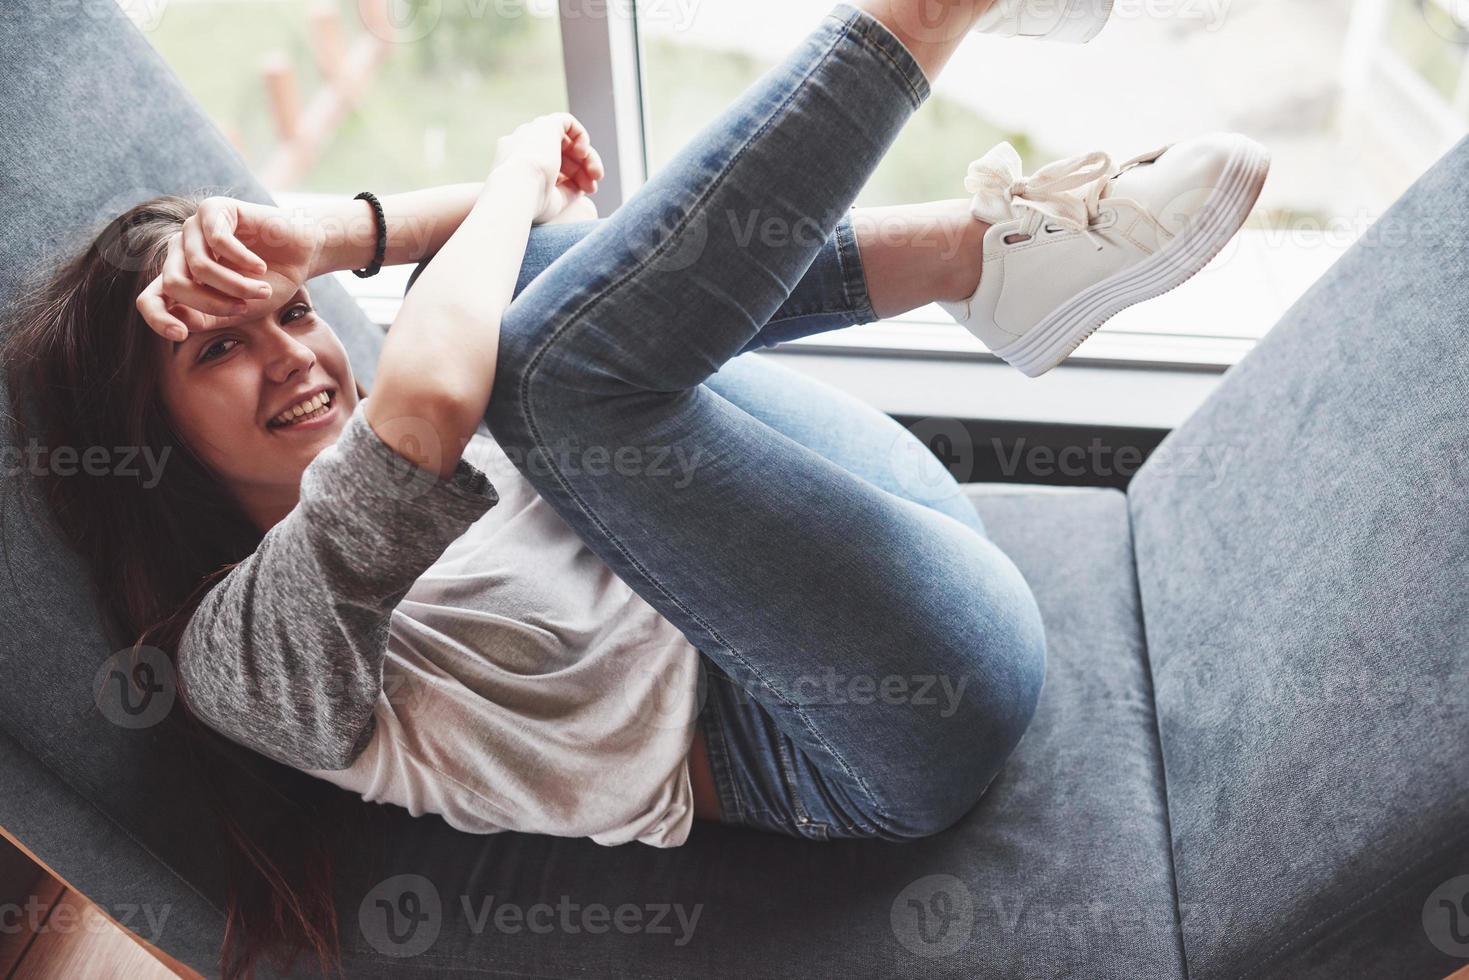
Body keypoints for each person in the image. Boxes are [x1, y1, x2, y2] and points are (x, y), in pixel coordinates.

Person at [0, 0, 1267, 973]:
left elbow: (524, 254)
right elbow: (437, 393)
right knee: (537, 364)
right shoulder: (243, 655)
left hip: (872, 540)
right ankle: (929, 36)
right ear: (146, 432)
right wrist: (504, 170)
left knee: (539, 287)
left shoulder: (366, 429)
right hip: (864, 724)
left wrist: (328, 234)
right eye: (221, 348)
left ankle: (991, 257)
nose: (294, 351)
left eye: (290, 312)